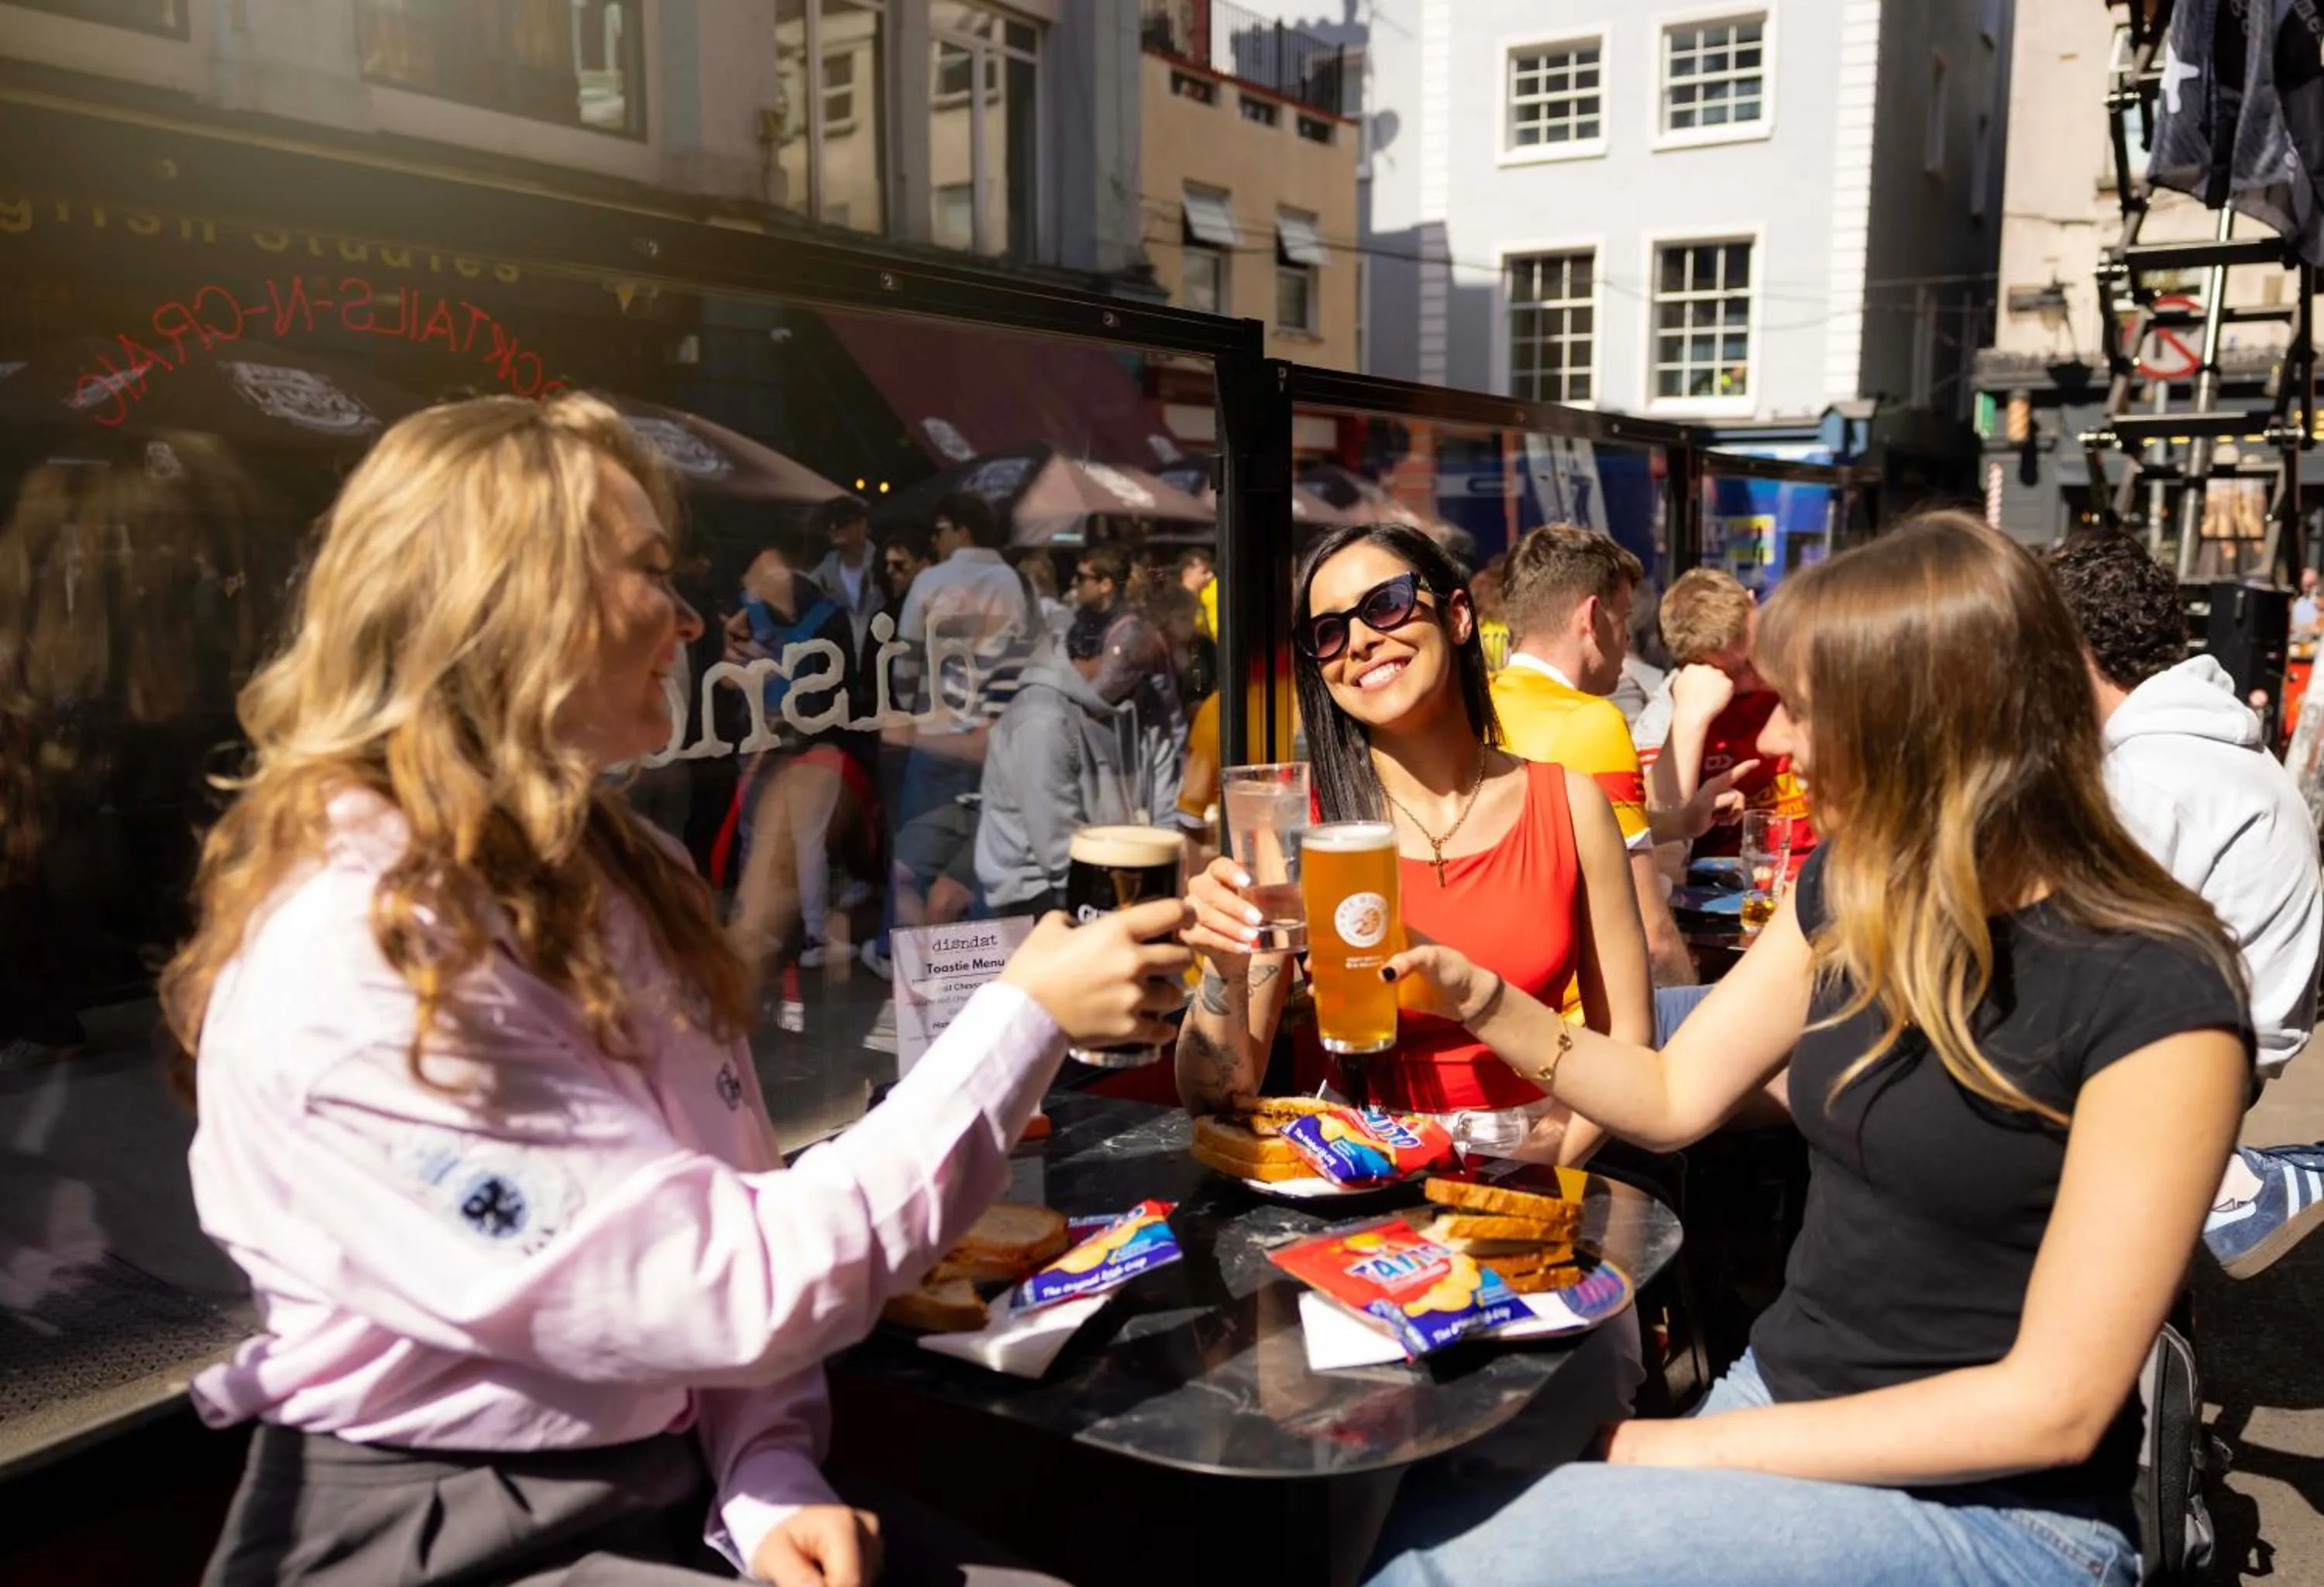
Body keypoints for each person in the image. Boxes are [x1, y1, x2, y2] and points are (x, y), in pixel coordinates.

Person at [166, 392, 1191, 1587]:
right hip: (445, 1534)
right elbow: (740, 1277)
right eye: (651, 571)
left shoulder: (620, 868)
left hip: (661, 1488)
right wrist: (1026, 1015)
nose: (692, 615)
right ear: (506, 598)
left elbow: (710, 1217)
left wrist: (766, 1477)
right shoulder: (360, 944)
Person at [1351, 511, 2250, 1587]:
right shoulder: (1862, 883)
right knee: (1403, 1495)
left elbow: (2054, 1409)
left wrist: (1663, 1448)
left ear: (1928, 724)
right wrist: (1478, 992)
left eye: (1808, 712)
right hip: (1782, 1402)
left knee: (1433, 1565)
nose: (1777, 744)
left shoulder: (2160, 991)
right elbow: (1677, 1093)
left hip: (2007, 1515)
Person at [1179, 523, 1651, 1165]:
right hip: (1361, 1163)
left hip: (1535, 1156)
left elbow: (1626, 1041)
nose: (1361, 641)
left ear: (1458, 618)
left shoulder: (1569, 803)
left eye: (1386, 604)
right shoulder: (1301, 836)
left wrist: (1537, 1163)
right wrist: (1223, 966)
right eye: (1329, 632)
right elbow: (1216, 1094)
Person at [2047, 532, 2324, 1278]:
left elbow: (2062, 962)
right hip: (2232, 1050)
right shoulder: (2211, 742)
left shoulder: (2146, 777)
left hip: (2183, 1069)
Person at [1490, 525, 1757, 998]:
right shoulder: (1591, 722)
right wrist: (1690, 1006)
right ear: (1593, 618)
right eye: (1625, 618)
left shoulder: (1480, 707)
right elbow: (1650, 936)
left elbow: (1558, 831)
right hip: (1587, 1012)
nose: (1627, 642)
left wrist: (1678, 822)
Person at [875, 492, 1038, 969]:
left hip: (936, 736)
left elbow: (905, 663)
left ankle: (900, 959)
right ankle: (974, 969)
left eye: (940, 529)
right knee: (982, 861)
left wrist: (914, 715)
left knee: (913, 861)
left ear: (961, 530)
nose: (936, 539)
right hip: (989, 740)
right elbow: (1017, 662)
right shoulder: (1011, 582)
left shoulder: (931, 580)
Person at [977, 606, 1181, 915]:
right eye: (1125, 666)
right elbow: (1058, 849)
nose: (1133, 679)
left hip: (1127, 875)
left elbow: (1167, 810)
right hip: (1042, 890)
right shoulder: (1042, 720)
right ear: (1087, 657)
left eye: (1141, 670)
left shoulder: (1146, 706)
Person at [1634, 567, 1816, 870]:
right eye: (1733, 672)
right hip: (1727, 890)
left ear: (1753, 603)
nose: (1754, 675)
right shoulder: (1675, 708)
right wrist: (1689, 720)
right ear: (1693, 667)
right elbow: (1652, 833)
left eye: (1753, 653)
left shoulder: (1809, 667)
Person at [806, 494, 883, 661]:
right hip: (839, 667)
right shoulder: (819, 578)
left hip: (881, 664)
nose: (833, 527)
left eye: (842, 521)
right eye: (828, 523)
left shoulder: (885, 566)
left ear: (862, 524)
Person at [2295, 565, 2320, 635]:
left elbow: (2318, 629)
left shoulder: (2317, 603)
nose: (2308, 588)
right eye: (2306, 585)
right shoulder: (2294, 600)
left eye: (2311, 585)